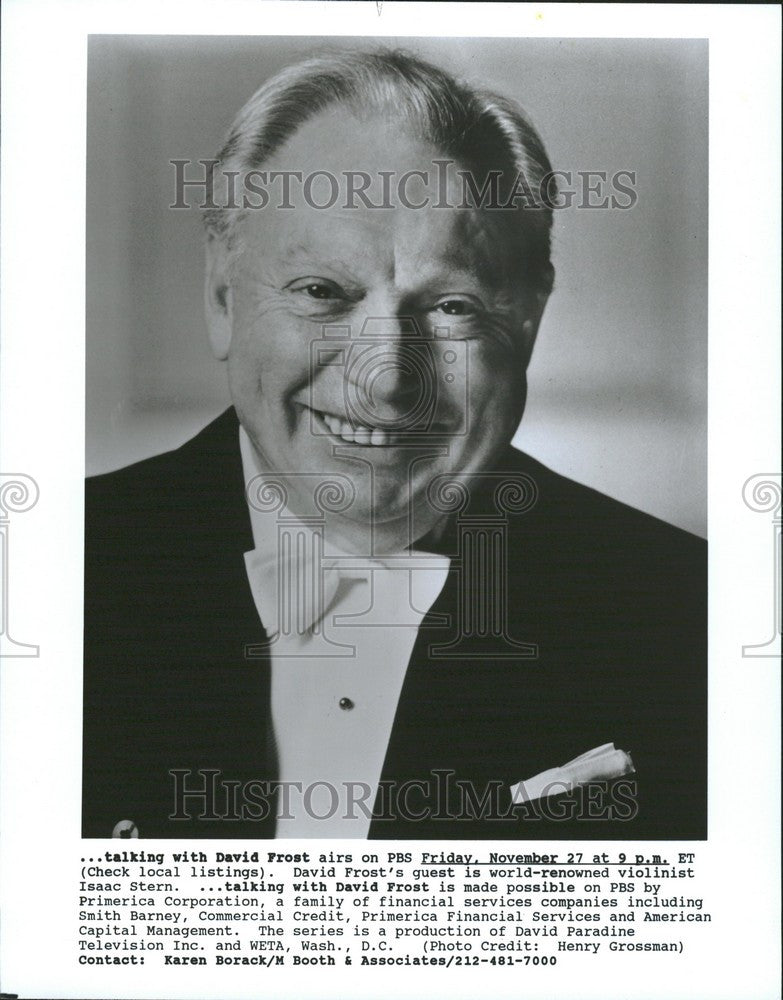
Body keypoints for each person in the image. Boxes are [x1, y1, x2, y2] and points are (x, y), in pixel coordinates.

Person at [82, 49, 706, 840]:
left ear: (528, 319)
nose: (384, 383)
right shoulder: (45, 575)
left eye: (451, 306)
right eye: (321, 293)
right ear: (220, 297)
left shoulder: (691, 616)